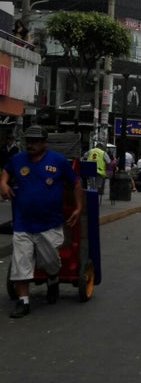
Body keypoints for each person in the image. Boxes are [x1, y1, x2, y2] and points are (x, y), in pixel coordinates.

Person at [0, 125, 82, 318]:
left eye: (35, 141)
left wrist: (78, 208)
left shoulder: (58, 161)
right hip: (23, 223)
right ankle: (24, 301)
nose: (30, 144)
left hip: (49, 224)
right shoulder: (17, 160)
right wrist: (3, 184)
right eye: (28, 141)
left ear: (44, 143)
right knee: (21, 263)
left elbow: (76, 183)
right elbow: (5, 172)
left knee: (50, 261)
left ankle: (53, 278)